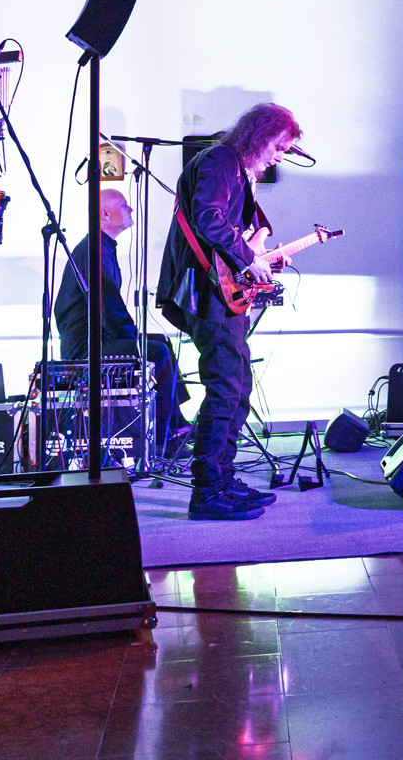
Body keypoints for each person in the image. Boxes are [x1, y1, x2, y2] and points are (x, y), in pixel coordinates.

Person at [157, 104, 302, 522]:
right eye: (279, 147)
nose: (280, 157)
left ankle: (223, 478)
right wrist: (248, 258)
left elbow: (231, 236)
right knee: (224, 387)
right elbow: (208, 218)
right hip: (206, 295)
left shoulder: (238, 171)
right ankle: (206, 491)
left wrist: (259, 259)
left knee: (237, 388)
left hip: (223, 294)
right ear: (259, 136)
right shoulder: (220, 159)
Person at [55, 189, 190, 453]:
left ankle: (176, 423)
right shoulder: (93, 250)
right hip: (86, 347)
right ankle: (164, 437)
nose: (130, 209)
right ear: (105, 214)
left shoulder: (102, 247)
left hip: (101, 338)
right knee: (156, 351)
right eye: (124, 205)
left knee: (161, 342)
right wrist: (133, 337)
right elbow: (108, 306)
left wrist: (134, 336)